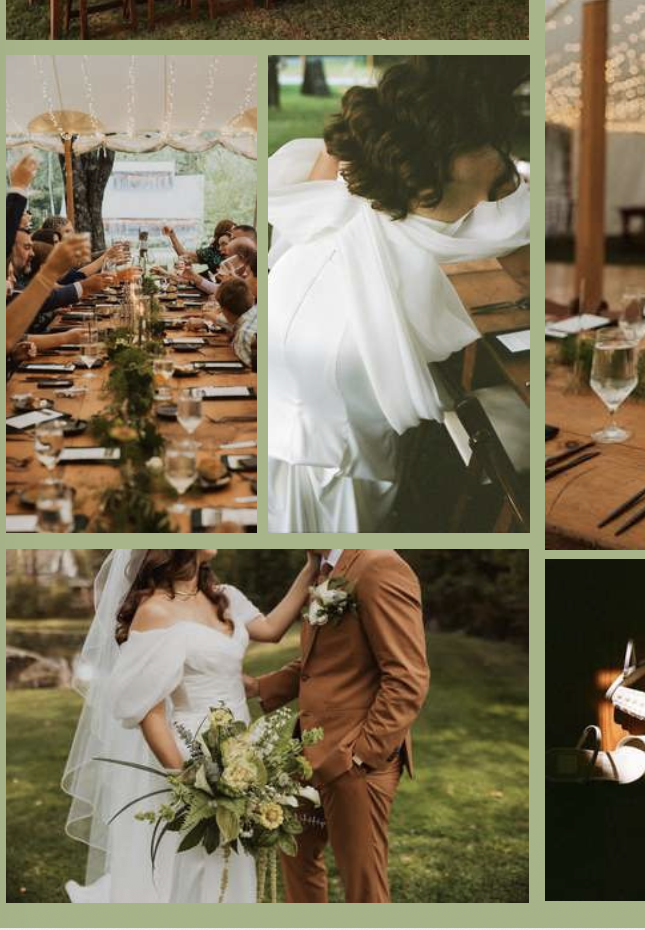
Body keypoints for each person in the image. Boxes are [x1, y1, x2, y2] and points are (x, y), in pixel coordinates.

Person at [266, 59, 529, 532]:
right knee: (346, 480)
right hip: (359, 337)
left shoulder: (376, 126)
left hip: (296, 286)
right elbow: (527, 266)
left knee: (284, 444)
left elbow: (323, 172)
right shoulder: (489, 165)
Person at [62, 549, 319, 903]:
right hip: (189, 751)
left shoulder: (224, 595)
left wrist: (311, 567)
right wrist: (184, 780)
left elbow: (272, 629)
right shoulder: (154, 611)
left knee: (232, 856)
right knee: (194, 860)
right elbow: (148, 712)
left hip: (243, 749)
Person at [243, 548, 431, 903]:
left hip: (353, 758)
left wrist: (362, 755)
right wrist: (260, 687)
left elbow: (408, 676)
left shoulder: (379, 566)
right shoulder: (325, 569)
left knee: (362, 883)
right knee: (295, 850)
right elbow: (324, 662)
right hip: (309, 751)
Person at [215, 276, 258, 369]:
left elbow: (248, 372)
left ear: (224, 311)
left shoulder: (244, 334)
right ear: (253, 298)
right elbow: (233, 324)